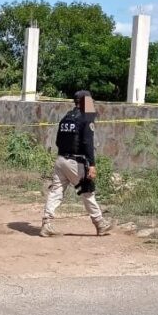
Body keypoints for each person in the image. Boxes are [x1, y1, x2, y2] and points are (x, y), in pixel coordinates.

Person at [40, 90, 113, 237]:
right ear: (85, 102)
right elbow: (88, 142)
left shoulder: (66, 118)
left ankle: (46, 223)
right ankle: (100, 223)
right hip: (76, 162)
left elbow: (58, 141)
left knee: (56, 192)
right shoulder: (86, 118)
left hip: (60, 160)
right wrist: (91, 165)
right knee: (87, 192)